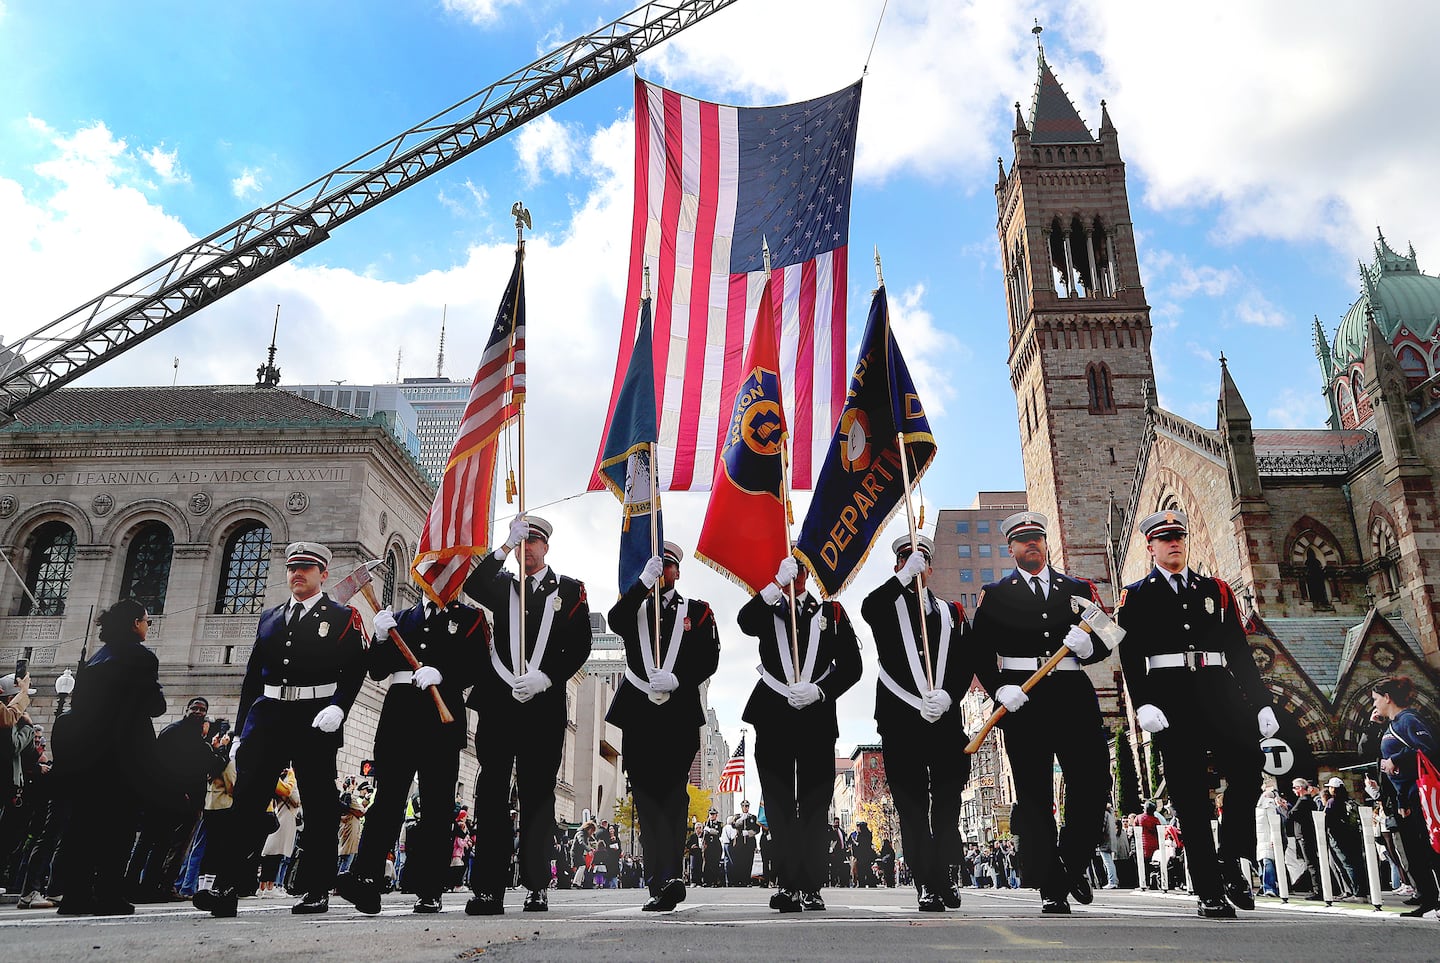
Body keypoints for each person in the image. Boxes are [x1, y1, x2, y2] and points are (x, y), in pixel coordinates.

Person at [1116, 509, 1278, 919]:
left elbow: (1240, 652)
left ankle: (1231, 857)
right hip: (1171, 701)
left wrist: (1260, 702)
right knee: (1188, 796)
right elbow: (1131, 655)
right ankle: (1209, 889)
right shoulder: (1136, 595)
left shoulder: (1217, 590)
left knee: (1246, 771)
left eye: (1179, 537)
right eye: (1165, 538)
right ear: (1150, 546)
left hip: (1219, 690)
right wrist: (1143, 704)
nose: (1174, 543)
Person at [196, 541, 367, 918]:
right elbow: (253, 676)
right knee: (246, 803)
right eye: (292, 568)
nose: (297, 574)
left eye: (306, 568)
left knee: (320, 805)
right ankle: (227, 885)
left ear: (323, 573)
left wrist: (339, 706)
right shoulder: (270, 617)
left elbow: (355, 668)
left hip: (313, 715)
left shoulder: (341, 617)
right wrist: (241, 731)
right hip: (269, 714)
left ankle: (316, 889)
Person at [971, 511, 1112, 915]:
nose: (1031, 544)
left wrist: (1090, 648)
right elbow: (978, 651)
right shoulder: (996, 594)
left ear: (1046, 543)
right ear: (1011, 548)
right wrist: (999, 688)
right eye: (1022, 540)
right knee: (1033, 795)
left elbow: (1107, 637)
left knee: (1092, 782)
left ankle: (1070, 860)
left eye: (1037, 537)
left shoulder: (1078, 588)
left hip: (1072, 694)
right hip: (1023, 698)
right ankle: (1053, 884)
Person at [461, 515, 592, 914]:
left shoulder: (569, 590)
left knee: (537, 797)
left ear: (546, 547)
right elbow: (473, 584)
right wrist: (501, 548)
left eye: (533, 542)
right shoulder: (505, 585)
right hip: (500, 703)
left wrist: (548, 677)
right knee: (491, 794)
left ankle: (537, 884)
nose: (527, 550)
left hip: (542, 706)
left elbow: (580, 646)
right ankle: (488, 888)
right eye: (522, 543)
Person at [335, 587, 486, 915]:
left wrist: (445, 674)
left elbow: (478, 665)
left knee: (437, 807)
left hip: (441, 717)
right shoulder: (400, 619)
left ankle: (430, 889)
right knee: (385, 802)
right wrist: (380, 637)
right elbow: (376, 670)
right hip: (399, 718)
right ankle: (367, 881)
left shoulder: (469, 618)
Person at [738, 553, 862, 912]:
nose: (798, 575)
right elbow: (745, 622)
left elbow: (852, 666)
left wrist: (822, 690)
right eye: (792, 569)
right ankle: (788, 885)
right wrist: (775, 585)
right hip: (774, 713)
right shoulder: (769, 607)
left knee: (813, 804)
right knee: (778, 806)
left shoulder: (832, 614)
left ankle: (811, 886)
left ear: (810, 573)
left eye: (802, 569)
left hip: (816, 716)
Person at [862, 533, 975, 911]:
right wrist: (900, 581)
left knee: (946, 805)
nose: (915, 564)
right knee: (911, 806)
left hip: (943, 721)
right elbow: (868, 607)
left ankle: (944, 876)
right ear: (898, 566)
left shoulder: (951, 612)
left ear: (930, 567)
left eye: (921, 559)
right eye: (907, 559)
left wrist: (950, 695)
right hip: (901, 721)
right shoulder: (885, 607)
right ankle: (925, 883)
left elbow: (964, 662)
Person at [605, 543, 720, 911]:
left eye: (668, 564)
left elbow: (710, 658)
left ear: (678, 572)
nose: (663, 570)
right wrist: (641, 582)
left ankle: (670, 875)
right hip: (639, 713)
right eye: (658, 564)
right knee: (645, 797)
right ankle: (657, 880)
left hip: (678, 713)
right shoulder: (634, 608)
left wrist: (679, 679)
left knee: (673, 796)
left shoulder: (698, 612)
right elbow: (615, 619)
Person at [50, 600, 166, 916]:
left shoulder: (95, 660)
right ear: (134, 624)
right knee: (119, 826)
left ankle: (75, 895)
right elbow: (155, 705)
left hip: (90, 756)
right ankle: (108, 892)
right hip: (125, 756)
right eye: (146, 621)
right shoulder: (141, 658)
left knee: (84, 826)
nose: (147, 626)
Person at [1372, 675, 1440, 916]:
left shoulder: (1409, 719)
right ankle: (1428, 898)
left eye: (1376, 699)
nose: (1375, 705)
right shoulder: (1391, 725)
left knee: (1428, 848)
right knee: (1415, 851)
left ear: (1388, 698)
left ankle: (1433, 898)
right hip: (1407, 798)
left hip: (1420, 795)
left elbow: (1428, 747)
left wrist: (1397, 759)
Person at [731, 799, 761, 887]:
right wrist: (741, 820)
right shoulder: (737, 816)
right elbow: (733, 825)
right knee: (739, 862)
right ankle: (738, 881)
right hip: (739, 842)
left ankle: (747, 880)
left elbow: (757, 829)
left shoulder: (753, 817)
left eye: (747, 806)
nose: (745, 808)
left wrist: (748, 833)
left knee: (748, 862)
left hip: (749, 842)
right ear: (741, 807)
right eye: (743, 806)